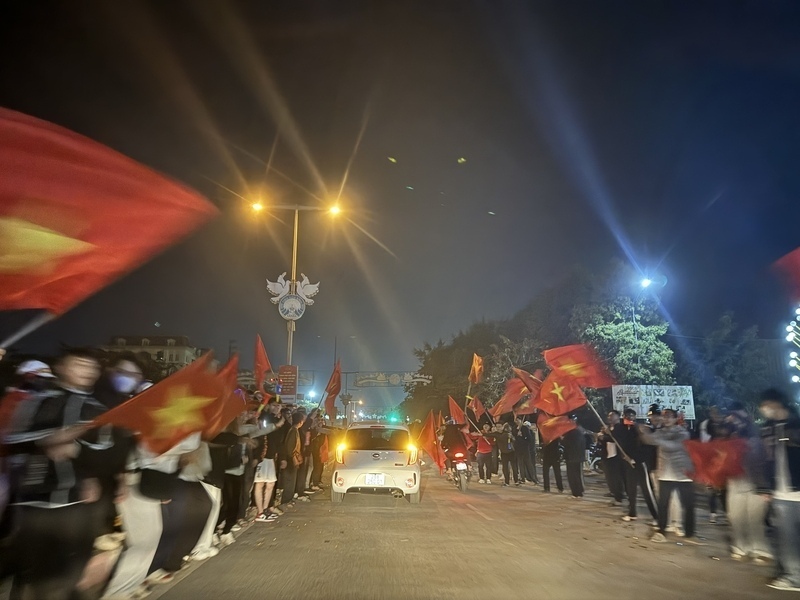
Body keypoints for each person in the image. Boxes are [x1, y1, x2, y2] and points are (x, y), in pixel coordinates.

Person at [2, 348, 118, 599]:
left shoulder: (97, 408)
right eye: (79, 365)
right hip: (36, 499)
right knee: (32, 572)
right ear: (61, 368)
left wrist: (82, 458)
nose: (87, 371)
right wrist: (49, 441)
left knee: (71, 568)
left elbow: (104, 450)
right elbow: (12, 439)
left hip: (78, 501)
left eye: (92, 367)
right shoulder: (37, 401)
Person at [758, 388, 800, 592]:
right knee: (785, 536)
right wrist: (765, 488)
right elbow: (765, 460)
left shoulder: (796, 424)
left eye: (767, 405)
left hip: (797, 489)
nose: (764, 409)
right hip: (780, 492)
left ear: (778, 403)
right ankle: (789, 574)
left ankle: (794, 577)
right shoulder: (767, 429)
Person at [723, 403, 771, 562]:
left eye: (736, 415)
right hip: (735, 481)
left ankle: (758, 548)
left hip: (755, 482)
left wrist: (765, 487)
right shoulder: (728, 432)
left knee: (755, 518)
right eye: (731, 416)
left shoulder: (756, 434)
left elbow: (764, 459)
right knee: (735, 516)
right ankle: (740, 546)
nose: (733, 419)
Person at [639, 409, 694, 543]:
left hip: (682, 474)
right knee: (663, 505)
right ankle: (662, 531)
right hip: (665, 474)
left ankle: (689, 531)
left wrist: (653, 437)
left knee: (687, 505)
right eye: (664, 417)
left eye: (669, 416)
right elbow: (648, 440)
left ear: (676, 419)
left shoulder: (682, 432)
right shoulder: (660, 432)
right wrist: (644, 432)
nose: (666, 419)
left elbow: (673, 446)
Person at [615, 408, 658, 523]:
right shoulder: (620, 428)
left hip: (640, 463)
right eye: (627, 415)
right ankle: (632, 513)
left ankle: (657, 516)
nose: (630, 417)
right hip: (628, 464)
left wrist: (635, 458)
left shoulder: (639, 428)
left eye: (632, 415)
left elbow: (645, 447)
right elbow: (617, 440)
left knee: (647, 490)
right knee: (631, 490)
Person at [598, 410, 625, 506]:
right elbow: (604, 439)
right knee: (609, 476)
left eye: (612, 415)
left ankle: (619, 497)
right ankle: (613, 491)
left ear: (618, 417)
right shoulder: (608, 427)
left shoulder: (620, 428)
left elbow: (616, 439)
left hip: (617, 456)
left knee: (617, 477)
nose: (609, 418)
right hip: (607, 455)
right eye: (609, 416)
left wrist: (606, 436)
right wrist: (601, 437)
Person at [562, 420, 586, 498]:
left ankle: (576, 492)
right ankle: (579, 491)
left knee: (573, 476)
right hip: (577, 457)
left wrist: (562, 438)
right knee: (577, 475)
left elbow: (566, 443)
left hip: (572, 457)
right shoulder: (579, 433)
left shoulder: (572, 433)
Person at [494, 423, 519, 487]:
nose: (498, 428)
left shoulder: (506, 434)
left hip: (510, 452)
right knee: (506, 468)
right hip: (505, 453)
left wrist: (512, 437)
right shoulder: (501, 434)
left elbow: (514, 441)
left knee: (513, 468)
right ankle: (510, 481)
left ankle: (514, 481)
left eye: (500, 426)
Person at [514, 417, 538, 484]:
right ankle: (522, 478)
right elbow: (513, 438)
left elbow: (529, 439)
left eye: (518, 420)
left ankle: (533, 479)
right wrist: (517, 434)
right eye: (516, 420)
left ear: (521, 420)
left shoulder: (525, 428)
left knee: (528, 463)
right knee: (520, 464)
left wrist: (522, 436)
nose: (517, 421)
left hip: (525, 449)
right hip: (518, 449)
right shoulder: (515, 428)